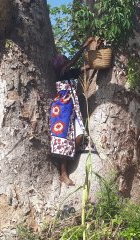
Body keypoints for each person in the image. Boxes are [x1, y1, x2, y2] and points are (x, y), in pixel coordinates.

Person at [50, 38, 94, 186]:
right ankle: (63, 173)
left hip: (72, 110)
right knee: (65, 140)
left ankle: (66, 166)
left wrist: (98, 55)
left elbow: (87, 67)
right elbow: (73, 62)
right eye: (65, 61)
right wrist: (83, 47)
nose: (68, 62)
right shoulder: (61, 73)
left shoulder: (70, 73)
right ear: (61, 66)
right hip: (62, 111)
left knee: (79, 136)